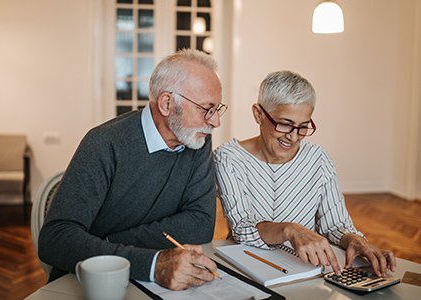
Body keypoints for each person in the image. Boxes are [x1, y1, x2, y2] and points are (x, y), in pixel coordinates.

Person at [38, 49, 228, 290]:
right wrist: (152, 263)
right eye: (206, 109)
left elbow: (200, 224)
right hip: (91, 283)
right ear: (167, 103)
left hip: (154, 280)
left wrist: (108, 243)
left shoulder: (197, 140)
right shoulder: (104, 143)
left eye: (217, 109)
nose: (215, 122)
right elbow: (55, 239)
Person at [214, 70, 396, 277]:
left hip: (306, 268)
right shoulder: (229, 158)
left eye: (303, 127)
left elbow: (336, 224)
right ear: (258, 114)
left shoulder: (318, 158)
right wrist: (290, 230)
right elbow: (242, 228)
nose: (293, 137)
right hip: (248, 266)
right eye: (285, 124)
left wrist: (355, 240)